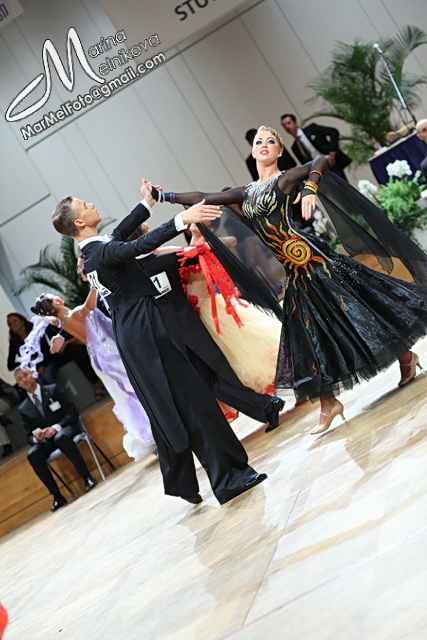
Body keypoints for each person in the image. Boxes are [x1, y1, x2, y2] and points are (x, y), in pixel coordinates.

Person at [147, 125, 427, 435]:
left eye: (271, 141)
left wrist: (310, 188)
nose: (264, 145)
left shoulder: (285, 179)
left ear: (280, 151)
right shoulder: (244, 192)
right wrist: (163, 196)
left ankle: (404, 356)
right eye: (259, 142)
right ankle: (329, 402)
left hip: (312, 259)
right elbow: (202, 197)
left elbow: (320, 161)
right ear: (253, 151)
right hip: (294, 270)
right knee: (307, 334)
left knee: (357, 311)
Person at [51, 180, 267, 505]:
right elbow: (138, 244)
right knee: (194, 402)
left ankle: (188, 481)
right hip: (147, 332)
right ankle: (229, 479)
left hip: (139, 332)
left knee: (172, 408)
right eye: (85, 205)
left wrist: (147, 203)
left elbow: (123, 232)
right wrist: (182, 219)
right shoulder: (102, 252)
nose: (92, 204)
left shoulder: (95, 250)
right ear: (79, 222)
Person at [128, 223, 284, 431]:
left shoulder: (156, 259)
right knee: (210, 377)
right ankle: (265, 406)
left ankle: (267, 405)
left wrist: (200, 238)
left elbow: (206, 251)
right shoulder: (148, 262)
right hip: (184, 322)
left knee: (218, 373)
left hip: (191, 320)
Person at [29, 292, 157, 461]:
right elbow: (89, 305)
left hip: (97, 358)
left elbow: (50, 319)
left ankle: (151, 435)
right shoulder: (74, 314)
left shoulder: (61, 321)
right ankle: (154, 432)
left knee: (126, 395)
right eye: (54, 297)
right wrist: (93, 284)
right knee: (134, 389)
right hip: (109, 355)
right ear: (57, 302)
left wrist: (58, 334)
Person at [179, 222, 282, 396]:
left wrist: (208, 242)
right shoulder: (181, 251)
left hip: (213, 306)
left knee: (248, 344)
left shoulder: (205, 246)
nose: (194, 223)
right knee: (233, 354)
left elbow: (231, 241)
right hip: (201, 311)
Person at [14, 365, 97, 512]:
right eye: (20, 379)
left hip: (65, 428)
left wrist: (56, 427)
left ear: (33, 375)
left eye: (25, 375)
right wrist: (37, 438)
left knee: (60, 438)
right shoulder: (23, 409)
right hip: (46, 441)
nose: (24, 380)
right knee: (33, 454)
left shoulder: (53, 389)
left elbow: (72, 412)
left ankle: (87, 477)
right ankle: (57, 495)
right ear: (19, 385)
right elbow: (29, 436)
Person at [6, 312, 104, 397]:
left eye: (15, 321)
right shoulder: (14, 342)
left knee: (48, 376)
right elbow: (10, 365)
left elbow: (45, 350)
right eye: (10, 324)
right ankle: (51, 405)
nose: (13, 325)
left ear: (22, 321)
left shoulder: (34, 330)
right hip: (32, 368)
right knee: (35, 380)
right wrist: (25, 360)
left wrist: (41, 365)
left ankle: (64, 402)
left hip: (47, 362)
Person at [281, 113, 352, 181]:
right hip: (319, 173)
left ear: (295, 123)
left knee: (344, 187)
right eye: (284, 125)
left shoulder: (311, 129)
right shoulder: (295, 147)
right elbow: (305, 164)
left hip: (330, 162)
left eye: (289, 123)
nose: (287, 126)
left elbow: (333, 132)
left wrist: (332, 153)